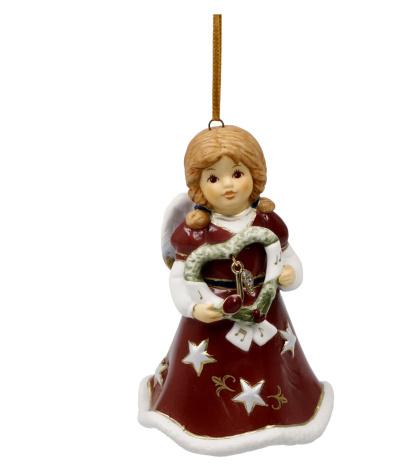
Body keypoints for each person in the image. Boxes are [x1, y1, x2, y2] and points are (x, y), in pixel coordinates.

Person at [138, 125, 333, 456]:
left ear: (254, 175)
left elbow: (288, 256)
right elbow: (179, 278)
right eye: (214, 178)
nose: (227, 185)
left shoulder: (267, 223)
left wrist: (291, 273)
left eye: (237, 173)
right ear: (198, 186)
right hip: (213, 319)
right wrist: (193, 308)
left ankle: (276, 412)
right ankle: (203, 416)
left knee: (270, 367)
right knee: (204, 377)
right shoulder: (194, 234)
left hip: (264, 310)